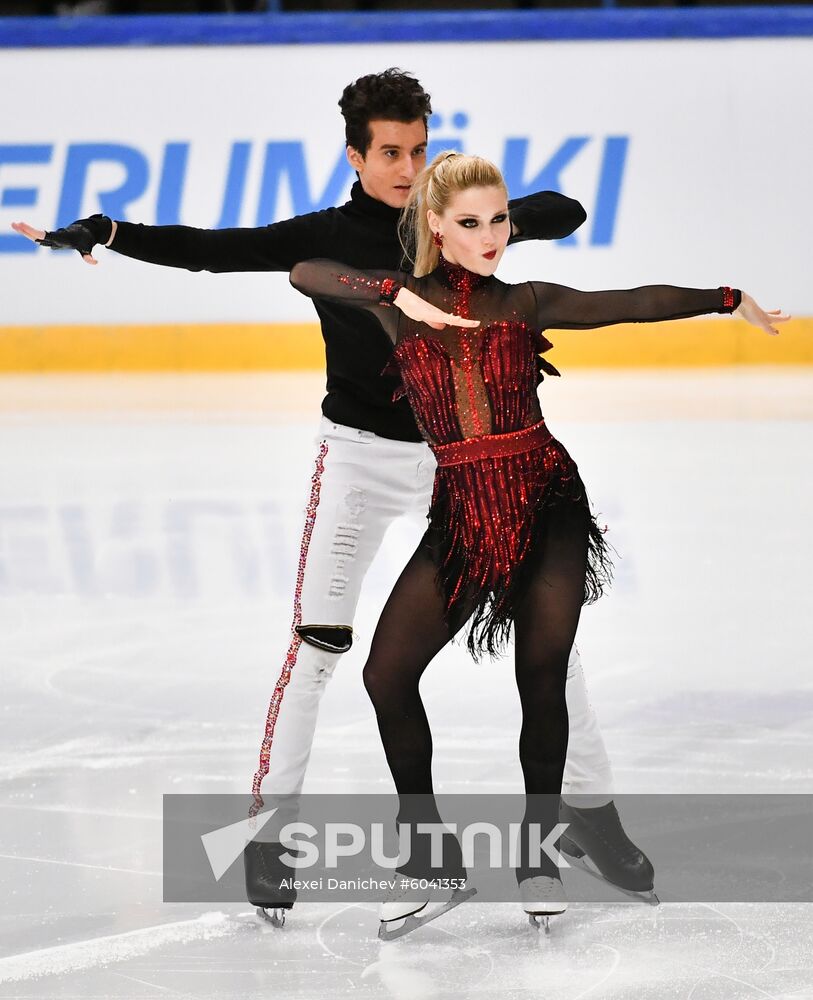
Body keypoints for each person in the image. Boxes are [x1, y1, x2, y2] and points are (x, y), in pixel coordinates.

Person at [12, 68, 651, 923]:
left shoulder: (454, 224)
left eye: (419, 150)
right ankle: (271, 834)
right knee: (317, 646)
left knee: (547, 642)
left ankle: (586, 814)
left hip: (469, 467)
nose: (406, 165)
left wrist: (509, 217)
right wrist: (108, 231)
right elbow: (213, 248)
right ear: (354, 155)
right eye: (390, 152)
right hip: (357, 459)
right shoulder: (326, 235)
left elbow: (566, 210)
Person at [287, 150, 787, 935]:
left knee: (542, 679)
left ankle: (537, 852)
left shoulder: (521, 302)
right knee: (387, 673)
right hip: (461, 511)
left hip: (545, 501)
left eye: (499, 220)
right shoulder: (395, 305)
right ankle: (428, 856)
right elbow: (306, 271)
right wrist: (393, 294)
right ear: (434, 226)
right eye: (470, 222)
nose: (489, 236)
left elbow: (631, 301)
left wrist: (725, 298)